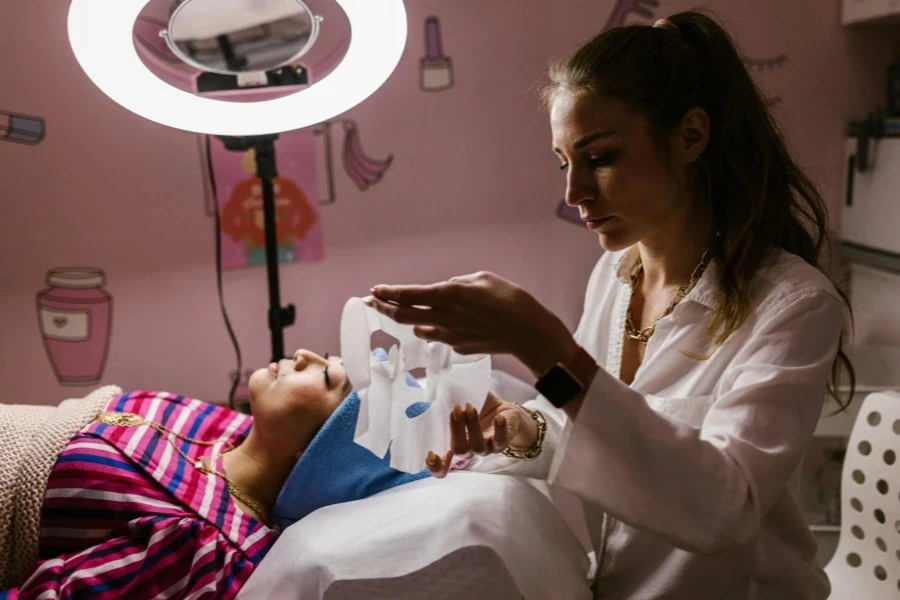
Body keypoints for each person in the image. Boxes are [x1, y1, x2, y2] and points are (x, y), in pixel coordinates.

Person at [365, 10, 855, 600]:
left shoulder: (793, 305)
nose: (573, 194)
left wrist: (545, 347)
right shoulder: (615, 278)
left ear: (691, 136)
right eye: (564, 163)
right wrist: (520, 430)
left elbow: (726, 508)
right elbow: (614, 439)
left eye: (600, 157)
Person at [0, 349, 367, 600]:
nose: (304, 355)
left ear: (321, 451)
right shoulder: (233, 428)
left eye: (326, 374)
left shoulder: (206, 548)